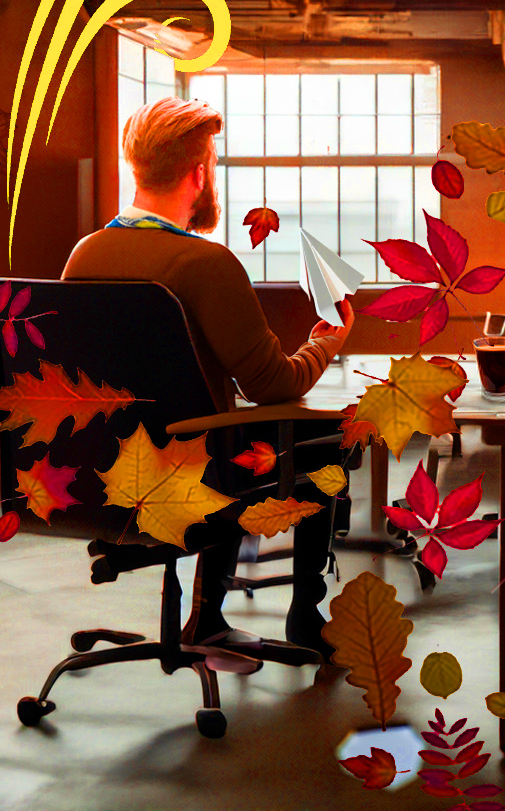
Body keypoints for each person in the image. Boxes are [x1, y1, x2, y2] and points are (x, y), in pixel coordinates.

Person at [62, 97, 351, 654]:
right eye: (212, 164)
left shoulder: (83, 255)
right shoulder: (207, 264)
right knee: (322, 444)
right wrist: (327, 341)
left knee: (219, 437)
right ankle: (302, 618)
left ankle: (211, 619)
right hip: (192, 483)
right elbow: (274, 387)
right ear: (199, 173)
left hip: (99, 477)